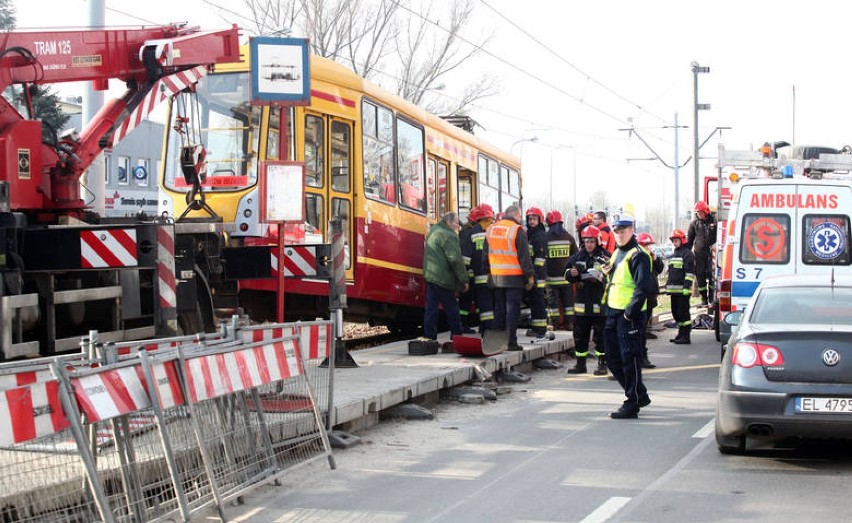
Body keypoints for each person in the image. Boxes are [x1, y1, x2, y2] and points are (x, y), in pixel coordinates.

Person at [601, 213, 654, 419]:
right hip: (613, 311)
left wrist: (630, 313)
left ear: (632, 230)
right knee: (613, 359)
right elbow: (619, 279)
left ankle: (632, 402)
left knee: (629, 359)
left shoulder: (638, 254)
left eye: (623, 231)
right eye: (616, 231)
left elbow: (643, 286)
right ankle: (639, 394)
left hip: (628, 315)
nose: (619, 235)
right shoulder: (617, 253)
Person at [483, 205, 535, 351]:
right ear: (516, 215)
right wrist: (529, 276)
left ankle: (496, 343)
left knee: (499, 310)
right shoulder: (517, 230)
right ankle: (511, 342)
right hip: (514, 278)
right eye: (520, 217)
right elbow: (524, 257)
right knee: (512, 311)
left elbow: (485, 255)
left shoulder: (491, 230)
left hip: (496, 277)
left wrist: (487, 272)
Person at [564, 225, 609, 375]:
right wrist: (572, 273)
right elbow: (566, 274)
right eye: (586, 241)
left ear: (597, 241)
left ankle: (602, 364)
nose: (588, 244)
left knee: (601, 336)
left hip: (599, 304)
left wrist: (602, 278)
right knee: (579, 336)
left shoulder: (605, 256)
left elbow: (615, 276)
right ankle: (580, 364)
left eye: (591, 241)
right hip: (581, 305)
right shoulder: (578, 256)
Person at [422, 212, 469, 341]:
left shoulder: (435, 230)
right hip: (443, 278)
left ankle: (429, 337)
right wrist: (464, 279)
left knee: (431, 308)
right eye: (456, 223)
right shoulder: (448, 235)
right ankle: (457, 335)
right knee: (452, 308)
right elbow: (455, 259)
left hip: (431, 275)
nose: (457, 227)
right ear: (448, 222)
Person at [545, 210, 578, 330]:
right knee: (568, 303)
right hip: (566, 278)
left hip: (551, 279)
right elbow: (576, 256)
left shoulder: (546, 238)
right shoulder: (569, 237)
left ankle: (554, 324)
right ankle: (570, 324)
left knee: (553, 304)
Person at [636, 232, 665, 368]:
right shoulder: (637, 258)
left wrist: (655, 259)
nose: (648, 247)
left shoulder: (650, 257)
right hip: (640, 298)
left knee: (642, 329)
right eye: (645, 245)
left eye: (649, 245)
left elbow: (660, 269)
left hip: (649, 297)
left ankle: (642, 357)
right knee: (639, 330)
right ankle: (640, 358)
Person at [666, 229, 695, 345]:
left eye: (676, 240)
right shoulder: (674, 254)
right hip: (674, 291)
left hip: (683, 290)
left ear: (682, 240)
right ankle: (680, 333)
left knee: (683, 314)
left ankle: (686, 336)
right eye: (673, 240)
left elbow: (689, 273)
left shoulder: (687, 254)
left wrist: (686, 287)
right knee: (676, 313)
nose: (674, 242)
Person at [470, 204, 496, 332]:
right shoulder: (496, 230)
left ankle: (486, 330)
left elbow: (470, 254)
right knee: (494, 305)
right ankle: (492, 329)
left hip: (480, 277)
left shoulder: (474, 231)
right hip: (495, 276)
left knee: (484, 307)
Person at [524, 207, 549, 338]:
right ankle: (536, 327)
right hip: (533, 274)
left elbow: (540, 258)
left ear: (540, 220)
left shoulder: (539, 235)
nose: (532, 221)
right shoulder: (530, 234)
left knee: (538, 301)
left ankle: (540, 329)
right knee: (533, 301)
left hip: (537, 275)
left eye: (534, 219)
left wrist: (534, 275)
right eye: (529, 219)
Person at [687, 200, 717, 306]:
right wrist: (686, 254)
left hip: (712, 254)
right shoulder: (694, 224)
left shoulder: (715, 220)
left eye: (701, 213)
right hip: (699, 254)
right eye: (697, 213)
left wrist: (716, 245)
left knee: (712, 275)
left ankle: (711, 297)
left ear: (706, 211)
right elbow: (689, 240)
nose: (699, 215)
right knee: (700, 276)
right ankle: (704, 298)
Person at [458, 207, 479, 330]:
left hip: (469, 273)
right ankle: (464, 325)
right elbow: (467, 256)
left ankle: (464, 324)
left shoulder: (465, 231)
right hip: (471, 274)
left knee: (466, 301)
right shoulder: (469, 232)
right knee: (469, 300)